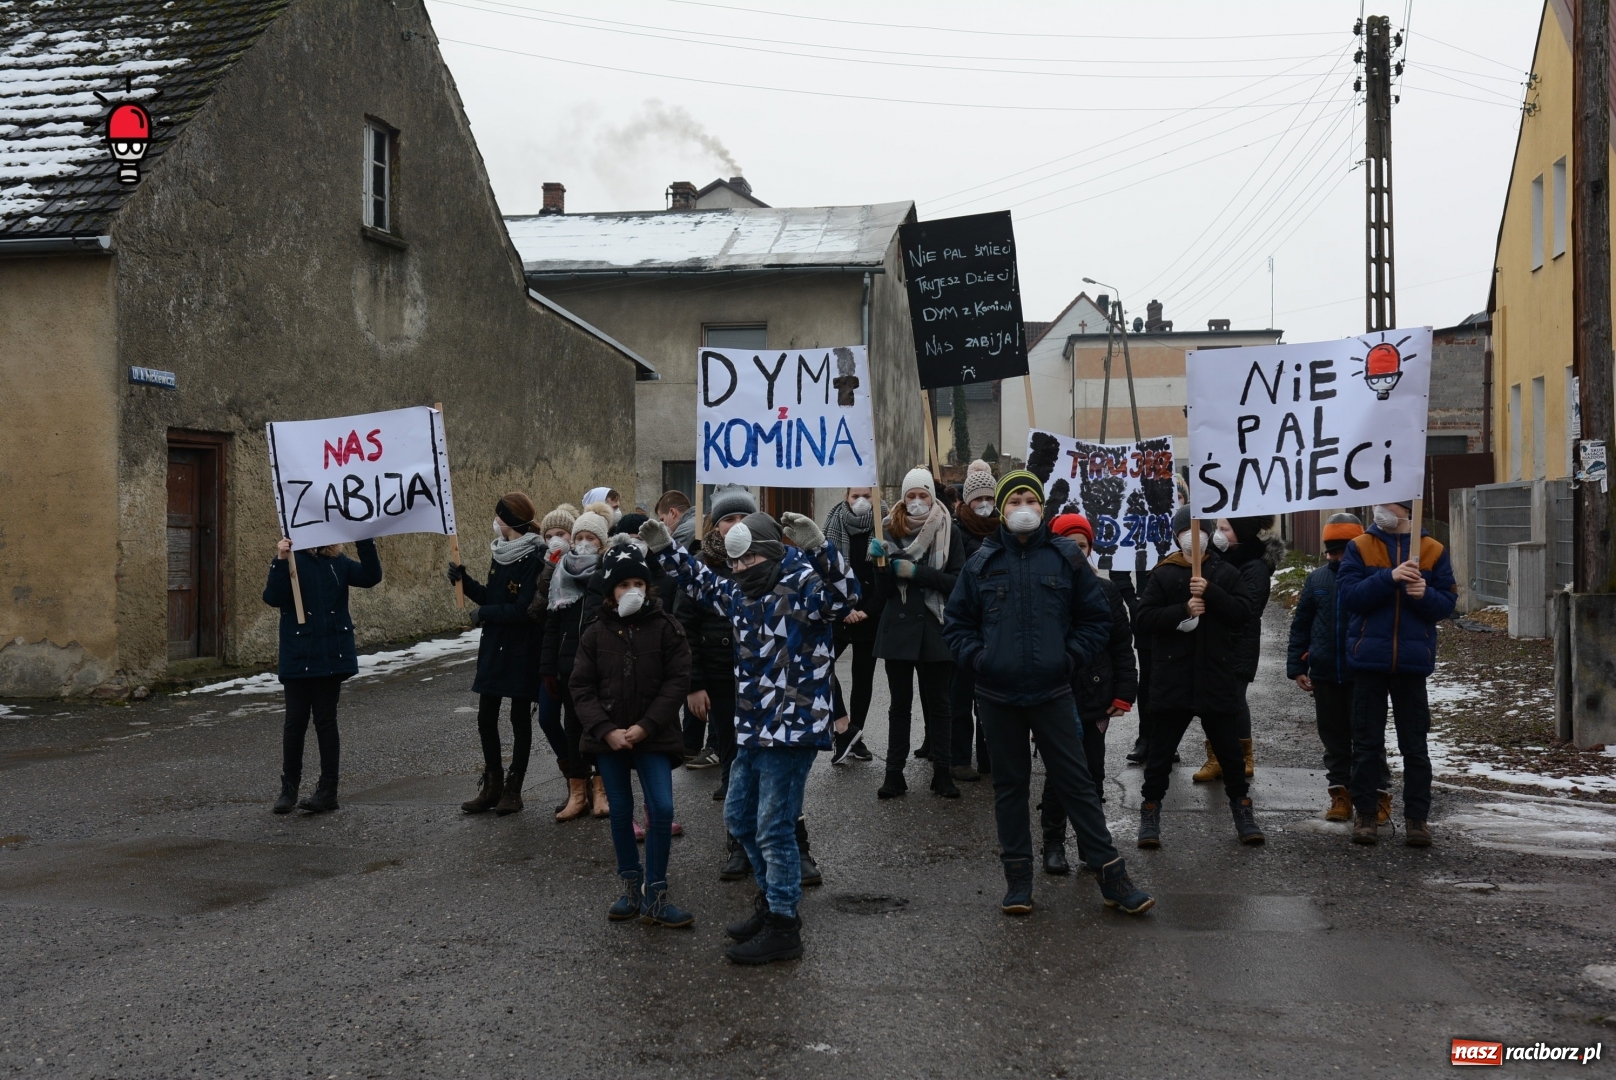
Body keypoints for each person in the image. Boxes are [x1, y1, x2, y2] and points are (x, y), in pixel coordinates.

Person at [639, 509, 857, 964]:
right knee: (739, 819)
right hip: (754, 728)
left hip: (793, 729)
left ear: (771, 552)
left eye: (748, 559)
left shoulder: (803, 585)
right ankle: (771, 901)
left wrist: (820, 548)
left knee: (774, 829)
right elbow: (701, 582)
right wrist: (665, 549)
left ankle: (784, 924)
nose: (739, 569)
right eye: (735, 562)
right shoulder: (740, 592)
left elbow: (846, 595)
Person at [942, 470, 1154, 917]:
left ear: (1043, 507)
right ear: (1002, 508)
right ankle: (1018, 880)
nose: (1023, 506)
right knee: (1010, 787)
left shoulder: (1066, 559)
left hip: (1055, 691)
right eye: (1015, 498)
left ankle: (1111, 875)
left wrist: (1067, 658)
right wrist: (981, 659)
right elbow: (957, 625)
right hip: (998, 697)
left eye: (1031, 499)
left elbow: (1095, 620)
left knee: (1077, 784)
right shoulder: (981, 562)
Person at [572, 544, 695, 926]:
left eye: (639, 582)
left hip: (653, 736)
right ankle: (630, 886)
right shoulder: (594, 631)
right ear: (610, 590)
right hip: (609, 741)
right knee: (621, 811)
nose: (632, 590)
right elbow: (581, 687)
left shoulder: (666, 627)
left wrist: (646, 726)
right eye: (623, 584)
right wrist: (606, 730)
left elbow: (677, 681)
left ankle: (656, 893)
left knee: (661, 808)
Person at [1133, 508, 1264, 847]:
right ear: (1176, 535)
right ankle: (1150, 813)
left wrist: (1211, 593)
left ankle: (1243, 810)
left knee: (1230, 754)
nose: (1195, 536)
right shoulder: (1163, 574)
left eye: (1200, 529)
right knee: (1160, 754)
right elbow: (1143, 619)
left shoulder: (1224, 572)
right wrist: (1181, 611)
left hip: (1214, 676)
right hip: (1173, 677)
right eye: (1186, 530)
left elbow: (1243, 613)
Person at [1338, 501, 1457, 847]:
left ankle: (1417, 819)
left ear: (1407, 509)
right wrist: (1388, 578)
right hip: (1368, 663)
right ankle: (1365, 814)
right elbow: (1350, 597)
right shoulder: (1359, 546)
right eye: (1377, 503)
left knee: (1415, 745)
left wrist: (1424, 595)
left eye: (1387, 504)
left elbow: (1447, 603)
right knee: (1366, 743)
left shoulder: (1432, 550)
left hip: (1411, 664)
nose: (1379, 510)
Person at [1041, 513, 1137, 874]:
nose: (1075, 553)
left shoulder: (1107, 591)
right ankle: (1052, 842)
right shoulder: (1045, 588)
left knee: (1092, 773)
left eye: (1081, 546)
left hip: (1096, 700)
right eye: (1067, 546)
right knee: (1058, 775)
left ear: (1090, 549)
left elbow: (1120, 646)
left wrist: (1125, 691)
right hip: (1055, 696)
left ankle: (1089, 842)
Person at [1287, 512, 1393, 824]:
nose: (1337, 556)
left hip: (1363, 673)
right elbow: (1301, 625)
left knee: (1367, 738)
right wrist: (1297, 666)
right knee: (1333, 738)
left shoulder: (1373, 579)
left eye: (1345, 549)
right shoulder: (1317, 579)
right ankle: (1340, 795)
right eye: (1332, 550)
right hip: (1324, 674)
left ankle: (1377, 795)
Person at [263, 536, 382, 814]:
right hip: (298, 653)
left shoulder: (336, 562)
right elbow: (273, 597)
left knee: (325, 722)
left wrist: (365, 540)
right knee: (295, 722)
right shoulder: (293, 559)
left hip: (330, 653)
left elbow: (370, 577)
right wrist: (280, 560)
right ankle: (288, 789)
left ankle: (328, 790)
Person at [868, 467, 965, 800]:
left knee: (940, 705)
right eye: (912, 496)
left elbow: (957, 582)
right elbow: (883, 593)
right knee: (900, 705)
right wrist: (880, 565)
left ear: (932, 496)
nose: (918, 501)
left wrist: (917, 573)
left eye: (924, 495)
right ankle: (894, 774)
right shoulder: (888, 531)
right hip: (898, 629)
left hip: (936, 627)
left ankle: (942, 773)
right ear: (903, 499)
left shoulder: (949, 530)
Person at [447, 493, 547, 815]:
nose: (495, 521)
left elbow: (523, 610)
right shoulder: (500, 552)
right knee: (485, 717)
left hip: (521, 649)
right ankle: (491, 786)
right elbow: (492, 597)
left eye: (498, 516)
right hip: (495, 648)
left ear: (508, 520)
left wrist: (485, 614)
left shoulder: (534, 557)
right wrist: (465, 582)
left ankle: (513, 789)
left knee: (519, 718)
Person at [1191, 515, 1285, 784]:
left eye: (1225, 529)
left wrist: (1210, 595)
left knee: (1233, 700)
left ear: (1240, 531)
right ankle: (1217, 757)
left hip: (1238, 644)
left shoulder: (1253, 566)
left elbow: (1248, 610)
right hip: (1213, 641)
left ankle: (1244, 756)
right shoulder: (1218, 559)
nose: (1218, 533)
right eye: (1217, 528)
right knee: (1212, 701)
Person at [542, 507, 612, 820]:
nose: (583, 543)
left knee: (598, 727)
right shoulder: (562, 573)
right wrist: (548, 667)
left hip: (599, 666)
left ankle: (601, 789)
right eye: (579, 536)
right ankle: (577, 792)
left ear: (602, 542)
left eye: (590, 538)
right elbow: (552, 625)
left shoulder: (609, 573)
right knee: (572, 728)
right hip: (569, 666)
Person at [824, 486, 883, 765]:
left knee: (863, 679)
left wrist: (865, 611)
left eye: (867, 496)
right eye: (855, 496)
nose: (861, 501)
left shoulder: (884, 526)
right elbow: (824, 573)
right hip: (839, 615)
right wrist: (844, 608)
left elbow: (885, 578)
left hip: (868, 617)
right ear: (846, 497)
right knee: (821, 665)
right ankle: (844, 728)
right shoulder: (833, 523)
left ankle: (856, 738)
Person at [949, 459, 1000, 780]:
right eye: (977, 498)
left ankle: (990, 759)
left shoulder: (1005, 530)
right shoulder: (954, 532)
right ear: (966, 502)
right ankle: (958, 759)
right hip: (965, 625)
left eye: (988, 498)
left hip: (996, 625)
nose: (983, 504)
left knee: (991, 699)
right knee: (959, 696)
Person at [529, 504, 577, 794]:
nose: (555, 540)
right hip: (551, 654)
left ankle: (588, 781)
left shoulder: (582, 563)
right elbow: (537, 610)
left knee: (577, 723)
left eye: (561, 533)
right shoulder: (542, 563)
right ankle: (571, 771)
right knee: (547, 717)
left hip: (575, 657)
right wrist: (549, 565)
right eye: (549, 535)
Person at [655, 488, 700, 553]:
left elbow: (670, 558)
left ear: (673, 512)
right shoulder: (700, 519)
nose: (662, 524)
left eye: (662, 519)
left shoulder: (684, 531)